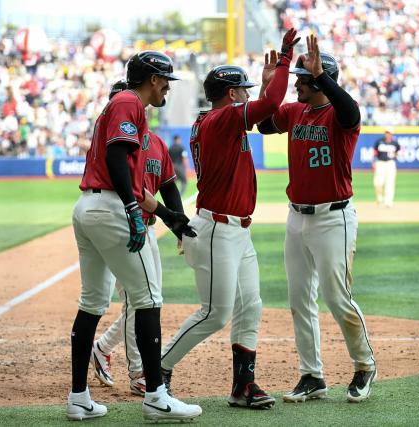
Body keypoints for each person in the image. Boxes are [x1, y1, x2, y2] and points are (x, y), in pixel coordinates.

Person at [159, 28, 300, 410]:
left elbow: (265, 105)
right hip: (217, 229)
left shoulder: (217, 120)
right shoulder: (220, 121)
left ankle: (243, 386)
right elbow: (271, 103)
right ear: (231, 93)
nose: (249, 93)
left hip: (236, 229)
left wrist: (270, 86)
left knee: (250, 304)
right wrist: (285, 57)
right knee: (214, 313)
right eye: (244, 89)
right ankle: (159, 370)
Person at [67, 51, 201, 422]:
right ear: (153, 79)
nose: (168, 89)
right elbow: (115, 158)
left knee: (93, 302)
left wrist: (170, 218)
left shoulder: (124, 106)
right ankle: (156, 396)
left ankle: (79, 397)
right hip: (110, 208)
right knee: (148, 298)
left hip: (89, 208)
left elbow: (134, 176)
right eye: (166, 82)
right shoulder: (128, 100)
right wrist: (130, 209)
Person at [257, 34, 377, 403]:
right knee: (299, 299)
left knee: (336, 297)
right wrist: (267, 88)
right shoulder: (295, 111)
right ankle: (312, 375)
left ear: (321, 79)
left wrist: (322, 76)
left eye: (302, 79)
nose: (296, 84)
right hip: (296, 218)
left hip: (333, 218)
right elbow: (263, 126)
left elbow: (351, 111)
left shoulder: (342, 115)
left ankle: (364, 364)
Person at [90, 80, 185, 397]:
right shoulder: (110, 143)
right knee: (138, 299)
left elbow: (169, 187)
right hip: (120, 226)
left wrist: (179, 229)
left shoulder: (155, 143)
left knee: (148, 300)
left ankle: (102, 347)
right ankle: (140, 373)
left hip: (146, 229)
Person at [372, 127, 401, 207]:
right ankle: (379, 199)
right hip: (380, 163)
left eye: (389, 133)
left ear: (392, 134)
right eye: (387, 132)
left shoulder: (395, 143)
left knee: (390, 183)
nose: (388, 134)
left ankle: (388, 201)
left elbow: (398, 152)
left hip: (390, 163)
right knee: (378, 182)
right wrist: (374, 162)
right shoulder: (379, 141)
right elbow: (375, 152)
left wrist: (395, 156)